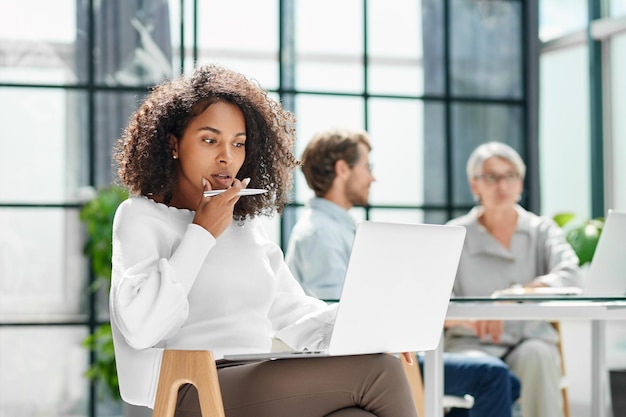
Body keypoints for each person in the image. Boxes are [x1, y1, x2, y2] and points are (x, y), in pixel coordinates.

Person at [109, 64, 419, 417]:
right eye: (210, 140)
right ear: (173, 144)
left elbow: (293, 310)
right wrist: (202, 233)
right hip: (192, 386)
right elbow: (140, 328)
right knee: (381, 372)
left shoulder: (245, 227)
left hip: (256, 378)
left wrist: (372, 331)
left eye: (238, 144)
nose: (227, 156)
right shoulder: (140, 217)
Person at [285, 129, 521, 417]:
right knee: (495, 377)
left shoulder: (339, 228)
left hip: (385, 353)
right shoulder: (320, 233)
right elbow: (342, 317)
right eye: (367, 167)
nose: (373, 177)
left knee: (509, 383)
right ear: (342, 169)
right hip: (363, 364)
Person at [445, 141, 583, 417]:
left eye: (510, 176)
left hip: (529, 340)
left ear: (520, 183)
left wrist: (516, 295)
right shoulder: (452, 234)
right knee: (483, 373)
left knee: (539, 356)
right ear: (475, 185)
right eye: (491, 177)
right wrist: (472, 317)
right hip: (471, 345)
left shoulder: (541, 230)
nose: (502, 185)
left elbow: (571, 276)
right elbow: (429, 303)